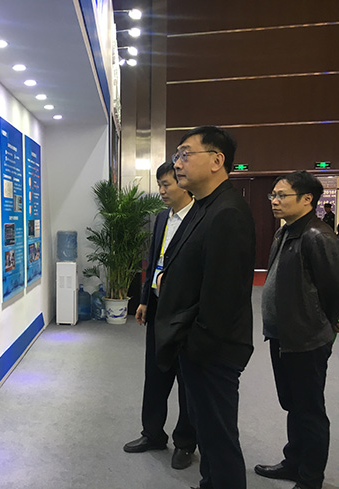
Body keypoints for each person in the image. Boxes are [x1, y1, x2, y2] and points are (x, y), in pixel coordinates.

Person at [153, 126, 256, 489]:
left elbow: (224, 296)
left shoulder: (228, 212)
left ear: (216, 161)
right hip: (196, 344)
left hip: (212, 350)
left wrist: (195, 345)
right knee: (210, 437)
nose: (177, 164)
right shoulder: (203, 207)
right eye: (177, 156)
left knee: (219, 439)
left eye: (185, 154)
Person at [254, 171, 339, 489]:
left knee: (309, 408)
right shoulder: (284, 232)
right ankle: (294, 462)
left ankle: (310, 477)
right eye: (273, 195)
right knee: (293, 403)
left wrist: (326, 329)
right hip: (282, 334)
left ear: (307, 199)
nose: (274, 201)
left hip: (307, 338)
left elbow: (334, 290)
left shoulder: (318, 236)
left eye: (281, 195)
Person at [124, 161, 197, 470]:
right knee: (154, 376)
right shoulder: (162, 218)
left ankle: (185, 443)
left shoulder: (200, 217)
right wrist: (144, 300)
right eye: (159, 185)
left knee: (187, 382)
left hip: (186, 315)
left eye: (167, 184)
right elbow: (154, 260)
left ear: (184, 183)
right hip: (157, 309)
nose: (162, 191)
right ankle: (152, 433)